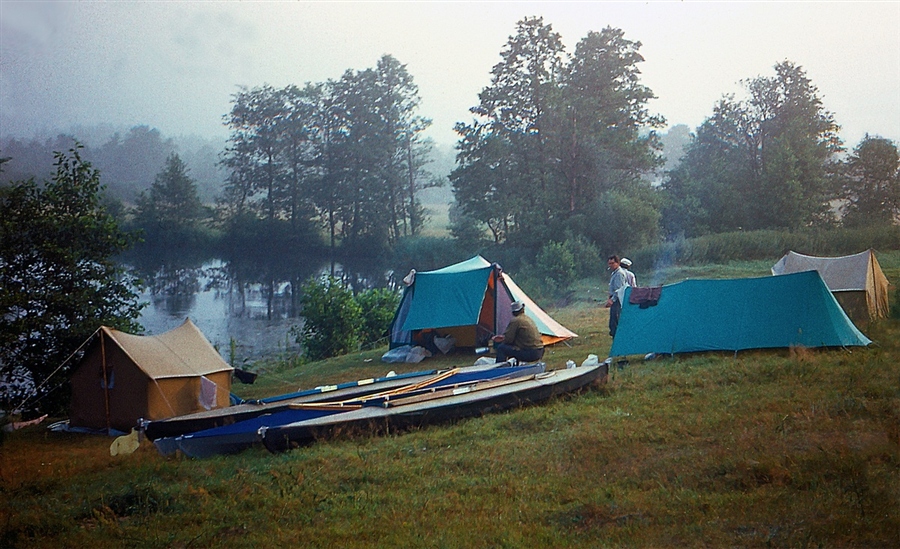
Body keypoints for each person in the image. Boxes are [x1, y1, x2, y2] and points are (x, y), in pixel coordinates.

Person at [605, 255, 627, 337]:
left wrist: (612, 300)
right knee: (613, 322)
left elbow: (619, 290)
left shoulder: (619, 274)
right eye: (609, 264)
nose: (610, 265)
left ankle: (618, 338)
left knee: (615, 322)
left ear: (617, 263)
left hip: (617, 301)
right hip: (614, 300)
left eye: (612, 263)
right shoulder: (614, 273)